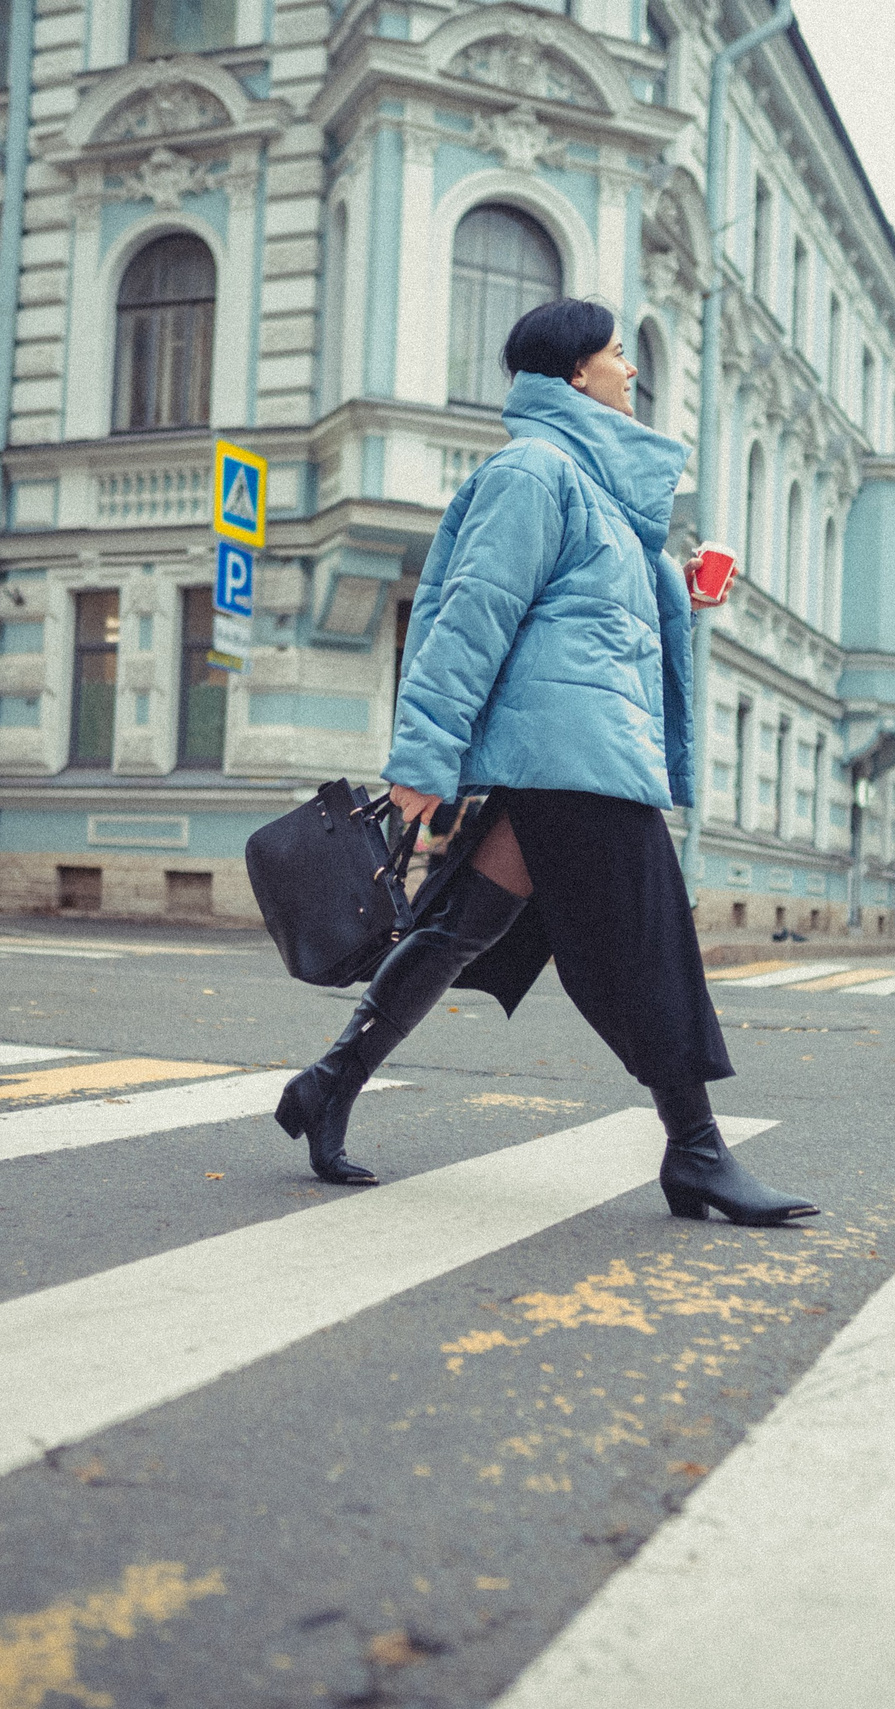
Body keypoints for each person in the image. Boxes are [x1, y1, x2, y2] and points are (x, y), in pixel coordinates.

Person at [273, 298, 816, 1227]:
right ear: (574, 374)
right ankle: (696, 1151)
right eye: (615, 354)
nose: (629, 369)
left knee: (458, 928)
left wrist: (674, 594)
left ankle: (329, 1083)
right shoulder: (535, 470)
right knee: (649, 947)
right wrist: (423, 761)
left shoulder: (596, 489)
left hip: (574, 748)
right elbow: (471, 612)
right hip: (574, 757)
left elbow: (584, 621)